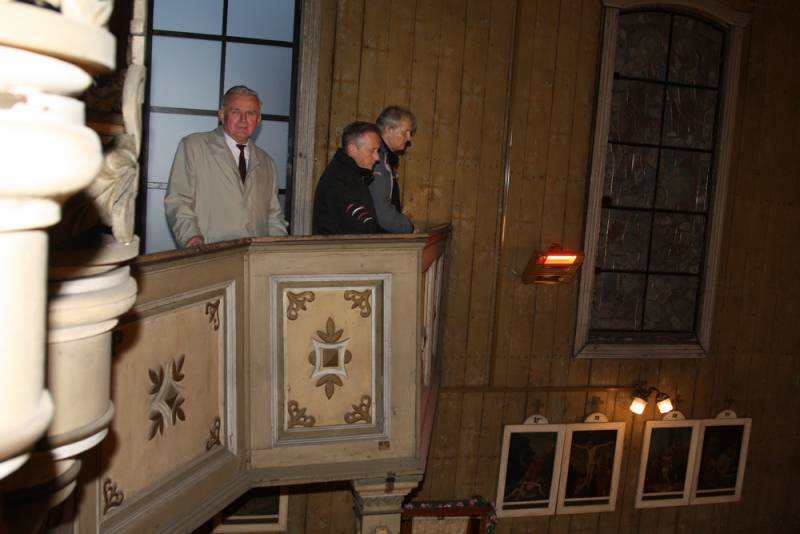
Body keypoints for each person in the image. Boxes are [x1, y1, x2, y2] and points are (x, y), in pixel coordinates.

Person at [164, 85, 288, 247]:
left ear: (258, 120)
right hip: (210, 253)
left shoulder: (267, 162)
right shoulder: (194, 146)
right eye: (236, 111)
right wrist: (191, 238)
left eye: (250, 113)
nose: (243, 120)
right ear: (222, 115)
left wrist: (280, 249)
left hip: (256, 255)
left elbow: (273, 216)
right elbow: (178, 200)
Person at [312, 121, 384, 234]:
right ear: (352, 149)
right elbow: (362, 227)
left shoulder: (351, 174)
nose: (377, 157)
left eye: (377, 151)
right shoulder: (340, 180)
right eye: (372, 151)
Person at [370, 106, 416, 233]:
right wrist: (409, 228)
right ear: (388, 130)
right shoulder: (377, 159)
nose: (409, 138)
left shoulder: (386, 158)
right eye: (405, 132)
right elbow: (383, 214)